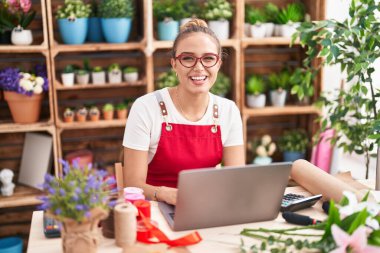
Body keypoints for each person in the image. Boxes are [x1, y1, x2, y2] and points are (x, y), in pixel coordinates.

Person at [122, 19, 244, 205]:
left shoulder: (229, 111)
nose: (198, 67)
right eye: (187, 58)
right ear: (174, 64)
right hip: (155, 210)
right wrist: (164, 194)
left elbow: (236, 180)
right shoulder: (146, 107)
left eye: (208, 58)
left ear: (218, 63)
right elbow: (132, 184)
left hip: (207, 207)